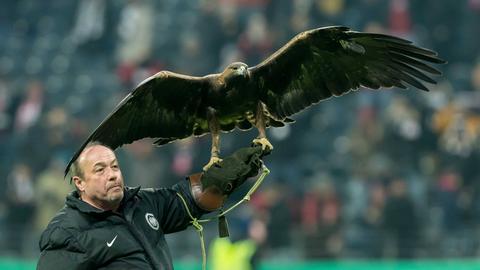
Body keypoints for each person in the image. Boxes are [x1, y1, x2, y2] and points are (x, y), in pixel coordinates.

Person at [37, 141, 267, 270]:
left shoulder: (141, 203)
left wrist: (224, 178)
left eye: (115, 167)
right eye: (100, 169)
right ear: (80, 183)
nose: (112, 175)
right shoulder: (67, 232)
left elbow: (187, 199)